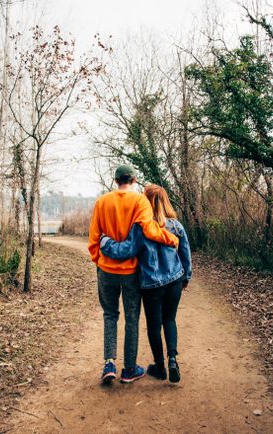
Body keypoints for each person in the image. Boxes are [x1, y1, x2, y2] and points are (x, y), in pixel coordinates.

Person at [88, 165, 179, 385]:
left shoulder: (102, 202)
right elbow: (149, 230)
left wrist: (98, 261)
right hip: (131, 272)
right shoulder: (140, 201)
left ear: (115, 180)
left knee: (110, 315)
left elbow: (94, 237)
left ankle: (109, 363)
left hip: (106, 270)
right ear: (134, 179)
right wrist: (171, 239)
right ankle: (129, 369)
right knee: (131, 318)